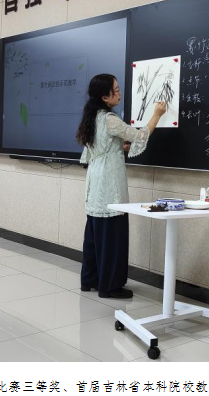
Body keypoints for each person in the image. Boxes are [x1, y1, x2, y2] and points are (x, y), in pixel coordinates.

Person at [76, 74, 167, 299]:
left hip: (95, 179)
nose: (119, 93)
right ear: (104, 97)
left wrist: (118, 146)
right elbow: (140, 135)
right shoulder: (110, 119)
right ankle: (109, 286)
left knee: (95, 235)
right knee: (112, 236)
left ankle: (90, 280)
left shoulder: (93, 116)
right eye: (115, 90)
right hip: (109, 181)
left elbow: (97, 147)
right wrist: (156, 114)